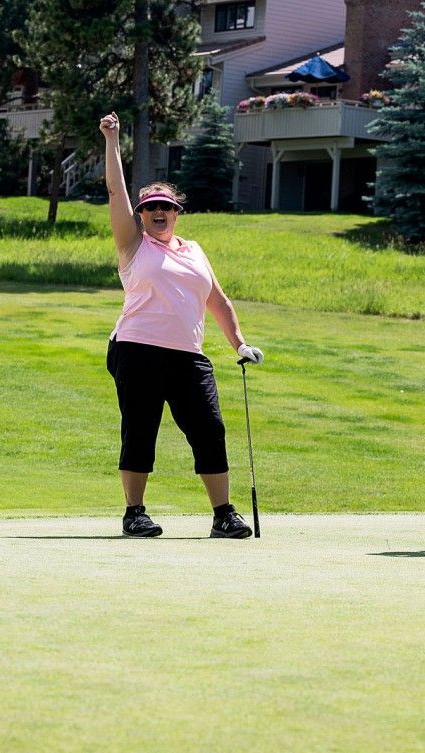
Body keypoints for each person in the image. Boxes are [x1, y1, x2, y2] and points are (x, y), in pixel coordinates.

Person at [98, 111, 263, 539]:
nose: (158, 212)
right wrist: (113, 140)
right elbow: (115, 189)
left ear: (177, 213)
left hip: (189, 355)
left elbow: (217, 299)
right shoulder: (133, 245)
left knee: (210, 428)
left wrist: (239, 344)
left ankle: (223, 514)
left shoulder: (194, 251)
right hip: (137, 350)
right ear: (140, 214)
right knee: (141, 429)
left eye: (166, 207)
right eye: (150, 207)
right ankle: (134, 512)